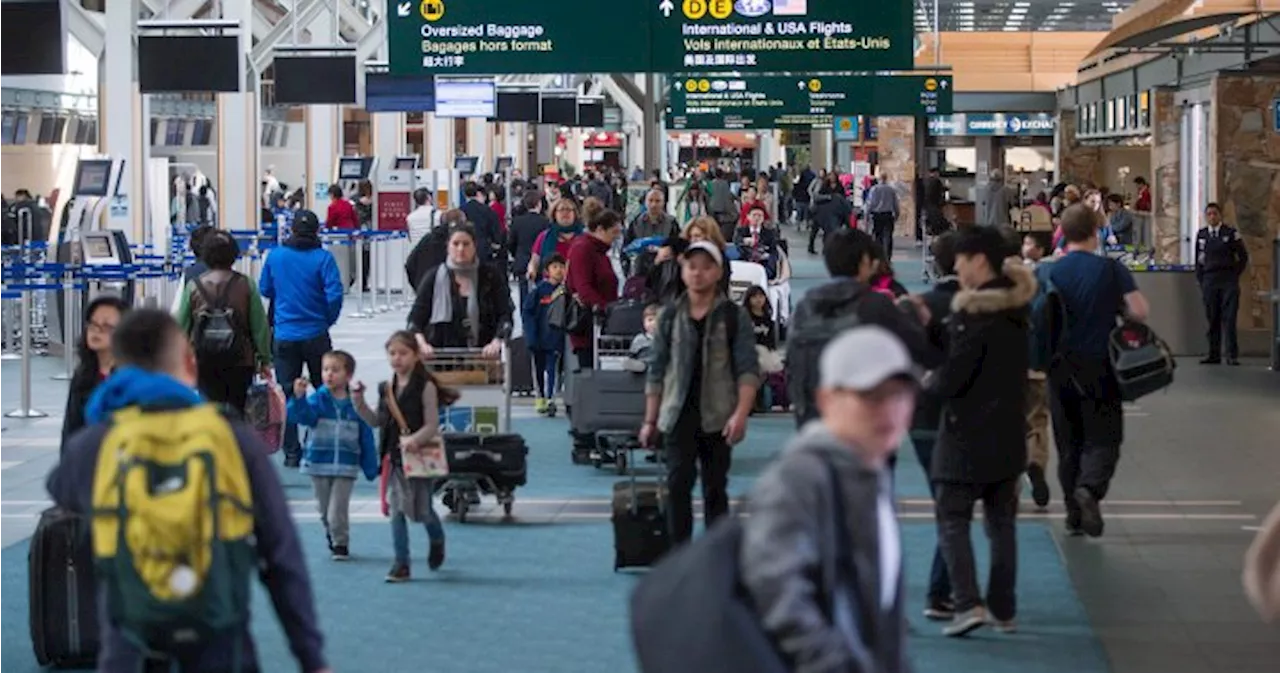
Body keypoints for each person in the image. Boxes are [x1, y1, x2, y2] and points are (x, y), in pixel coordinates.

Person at [48, 308, 330, 673]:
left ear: (118, 363)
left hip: (129, 647)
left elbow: (61, 489)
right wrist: (311, 657)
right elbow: (281, 554)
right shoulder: (231, 438)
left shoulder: (96, 445)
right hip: (221, 643)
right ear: (189, 362)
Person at [739, 326, 915, 672]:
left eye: (900, 396)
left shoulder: (869, 473)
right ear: (826, 400)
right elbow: (774, 593)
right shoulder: (798, 478)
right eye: (870, 397)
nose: (889, 411)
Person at [929, 226, 1035, 637]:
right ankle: (1003, 608)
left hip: (965, 434)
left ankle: (968, 601)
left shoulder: (972, 314)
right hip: (1008, 431)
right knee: (1002, 523)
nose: (956, 266)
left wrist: (929, 382)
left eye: (961, 257)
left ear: (978, 260)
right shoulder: (1019, 310)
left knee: (953, 518)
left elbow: (954, 376)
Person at [640, 241, 760, 545]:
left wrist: (741, 415)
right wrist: (650, 420)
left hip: (719, 415)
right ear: (682, 271)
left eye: (707, 267)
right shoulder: (668, 317)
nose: (698, 273)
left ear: (718, 272)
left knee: (715, 489)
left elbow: (748, 369)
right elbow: (656, 370)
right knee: (677, 485)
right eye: (692, 266)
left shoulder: (734, 316)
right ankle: (679, 562)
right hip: (677, 413)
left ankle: (714, 560)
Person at [1044, 204, 1149, 538]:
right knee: (1104, 436)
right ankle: (1090, 489)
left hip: (1058, 367)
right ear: (1095, 232)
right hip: (1100, 365)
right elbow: (1139, 311)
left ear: (1063, 232)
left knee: (1067, 441)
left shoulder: (1048, 272)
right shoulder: (1110, 269)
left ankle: (1073, 515)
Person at [788, 228, 941, 428]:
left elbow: (791, 358)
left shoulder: (805, 304)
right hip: (862, 419)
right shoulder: (875, 305)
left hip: (812, 410)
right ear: (865, 262)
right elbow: (918, 349)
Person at [356, 331, 460, 581]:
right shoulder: (386, 389)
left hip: (420, 457)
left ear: (415, 355)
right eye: (392, 353)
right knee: (397, 511)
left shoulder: (426, 387)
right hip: (395, 458)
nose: (397, 359)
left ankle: (436, 538)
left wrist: (416, 440)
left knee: (422, 510)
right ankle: (401, 563)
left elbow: (432, 424)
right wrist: (358, 401)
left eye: (403, 353)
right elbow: (378, 421)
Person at [259, 209, 344, 467]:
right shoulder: (324, 259)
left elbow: (265, 288)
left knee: (287, 393)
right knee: (323, 389)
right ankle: (319, 444)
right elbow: (334, 295)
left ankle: (292, 452)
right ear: (317, 231)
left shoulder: (276, 256)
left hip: (284, 335)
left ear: (292, 230)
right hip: (316, 334)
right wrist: (325, 319)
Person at [908, 232, 960, 620]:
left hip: (919, 419)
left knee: (949, 504)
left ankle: (947, 589)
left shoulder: (919, 304)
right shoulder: (973, 308)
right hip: (960, 420)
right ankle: (941, 591)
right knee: (955, 508)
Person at [287, 350, 379, 561]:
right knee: (323, 509)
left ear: (348, 375)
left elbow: (365, 436)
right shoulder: (318, 400)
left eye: (335, 370)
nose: (329, 374)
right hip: (318, 463)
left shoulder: (355, 405)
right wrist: (299, 398)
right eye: (326, 369)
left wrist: (370, 466)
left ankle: (341, 543)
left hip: (346, 465)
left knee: (337, 509)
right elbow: (301, 417)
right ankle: (332, 532)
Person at [175, 230, 272, 415]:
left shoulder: (194, 286)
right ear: (233, 254)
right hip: (241, 359)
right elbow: (260, 327)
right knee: (238, 410)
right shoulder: (246, 284)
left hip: (204, 359)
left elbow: (182, 326)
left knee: (208, 409)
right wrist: (265, 359)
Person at [408, 224, 512, 358]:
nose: (461, 249)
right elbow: (415, 320)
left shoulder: (490, 276)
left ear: (474, 245)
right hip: (440, 359)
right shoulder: (433, 277)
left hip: (483, 358)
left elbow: (505, 315)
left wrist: (497, 341)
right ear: (448, 246)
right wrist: (422, 344)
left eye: (466, 244)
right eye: (455, 244)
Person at [62, 295, 130, 445]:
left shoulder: (132, 377)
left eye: (106, 327)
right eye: (93, 324)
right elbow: (71, 430)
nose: (96, 331)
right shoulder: (83, 374)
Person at [565, 209, 623, 370]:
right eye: (613, 232)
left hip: (600, 321)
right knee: (589, 370)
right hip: (588, 324)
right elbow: (583, 287)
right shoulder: (583, 248)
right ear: (599, 229)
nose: (616, 237)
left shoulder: (600, 250)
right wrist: (607, 308)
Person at [1021, 231, 1054, 508]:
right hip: (1037, 363)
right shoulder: (1048, 279)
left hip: (1005, 365)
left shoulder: (1002, 280)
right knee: (1037, 420)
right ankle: (1036, 463)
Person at [1195, 202, 1248, 366]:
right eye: (1209, 214)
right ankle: (1214, 354)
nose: (1212, 217)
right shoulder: (1202, 235)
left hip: (1228, 280)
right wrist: (1201, 279)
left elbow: (1243, 256)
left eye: (1214, 213)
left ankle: (1232, 354)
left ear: (1220, 215)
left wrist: (1234, 274)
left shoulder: (1230, 233)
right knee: (1213, 318)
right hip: (1210, 280)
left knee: (1229, 318)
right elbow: (1198, 259)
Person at [522, 254, 568, 416]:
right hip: (538, 339)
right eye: (555, 267)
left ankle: (551, 398)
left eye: (562, 267)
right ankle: (540, 397)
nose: (559, 270)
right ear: (547, 270)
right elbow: (527, 312)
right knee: (539, 370)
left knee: (553, 369)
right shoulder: (539, 291)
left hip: (555, 339)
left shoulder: (565, 292)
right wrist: (530, 335)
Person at [509, 191, 551, 305]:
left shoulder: (517, 222)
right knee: (542, 293)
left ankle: (525, 318)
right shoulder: (545, 222)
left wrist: (516, 254)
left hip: (522, 261)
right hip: (542, 262)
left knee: (524, 294)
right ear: (539, 204)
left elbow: (511, 243)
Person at [527, 197, 584, 280]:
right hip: (551, 286)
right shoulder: (544, 236)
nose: (565, 213)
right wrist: (531, 271)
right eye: (561, 210)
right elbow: (534, 261)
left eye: (568, 210)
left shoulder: (584, 237)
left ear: (575, 214)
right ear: (554, 214)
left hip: (579, 284)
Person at [460, 182, 503, 265]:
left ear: (464, 193)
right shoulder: (487, 210)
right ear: (477, 193)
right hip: (484, 248)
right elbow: (495, 231)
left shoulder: (461, 211)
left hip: (466, 247)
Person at [865, 172, 900, 258]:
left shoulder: (874, 189)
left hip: (877, 215)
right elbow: (895, 203)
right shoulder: (891, 190)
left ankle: (878, 255)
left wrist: (866, 215)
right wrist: (897, 215)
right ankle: (888, 256)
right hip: (888, 215)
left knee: (878, 236)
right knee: (888, 236)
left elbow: (870, 203)